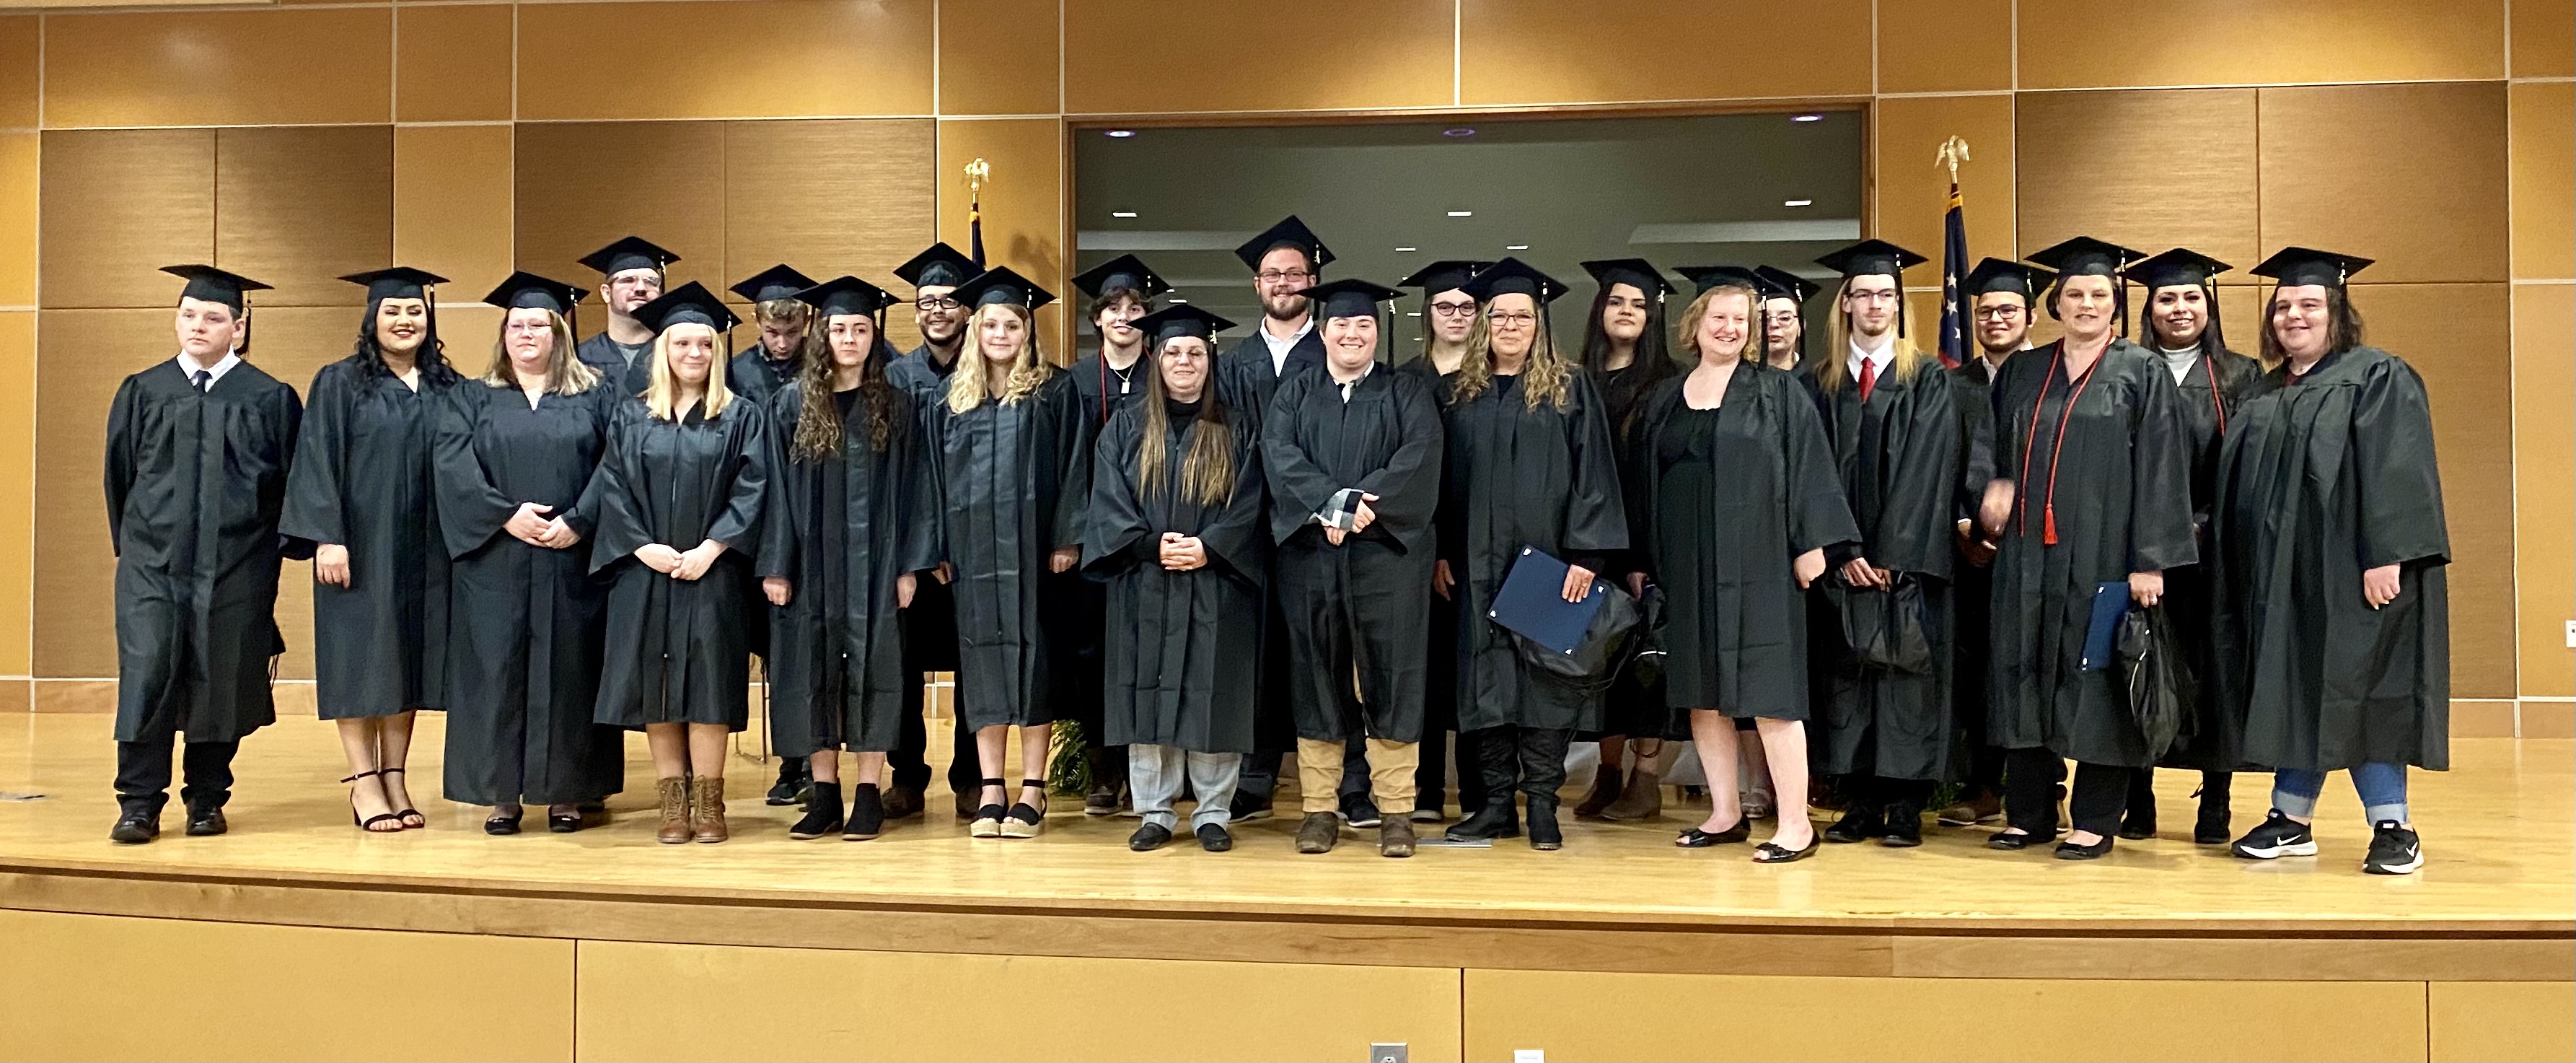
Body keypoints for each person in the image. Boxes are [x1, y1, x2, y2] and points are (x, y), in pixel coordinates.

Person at [2215, 248, 2446, 875]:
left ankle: (2392, 824)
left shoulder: (2376, 376)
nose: (2294, 315)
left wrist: (2387, 555)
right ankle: (2290, 818)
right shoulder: (2261, 391)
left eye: (2309, 305)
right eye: (2283, 306)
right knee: (2293, 682)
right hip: (2280, 576)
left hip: (2353, 571)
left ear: (2335, 313)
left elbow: (2397, 468)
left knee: (2363, 687)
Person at [1979, 236, 2197, 860]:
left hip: (2105, 554)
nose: (2086, 303)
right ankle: (2028, 812)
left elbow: (2162, 465)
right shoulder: (2024, 371)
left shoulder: (2140, 371)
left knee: (2097, 679)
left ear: (2115, 303)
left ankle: (2095, 818)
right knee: (2023, 670)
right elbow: (1992, 453)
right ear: (2056, 302)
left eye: (2098, 294)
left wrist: (2149, 559)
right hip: (2026, 556)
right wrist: (1988, 496)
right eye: (2074, 293)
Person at [1625, 276, 1853, 864]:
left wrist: (1812, 544)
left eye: (1740, 320)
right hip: (1688, 562)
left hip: (1760, 561)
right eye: (1719, 318)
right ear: (1694, 324)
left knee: (1770, 692)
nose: (1729, 328)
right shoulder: (1666, 397)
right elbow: (1647, 484)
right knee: (1702, 694)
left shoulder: (1776, 391)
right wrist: (1645, 561)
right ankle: (1725, 812)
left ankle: (1796, 824)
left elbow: (1810, 466)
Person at [1798, 240, 1990, 849]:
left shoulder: (1929, 378)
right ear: (1845, 303)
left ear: (1898, 304)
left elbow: (1929, 469)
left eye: (1886, 295)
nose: (1874, 304)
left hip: (1908, 563)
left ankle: (1904, 806)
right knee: (1847, 676)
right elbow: (1810, 472)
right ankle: (1858, 803)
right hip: (1841, 565)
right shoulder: (1819, 382)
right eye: (1863, 294)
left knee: (1908, 679)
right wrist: (1842, 549)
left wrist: (1888, 554)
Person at [105, 265, 306, 844]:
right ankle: (138, 802)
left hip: (237, 565)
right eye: (189, 314)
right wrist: (140, 547)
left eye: (214, 317)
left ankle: (206, 799)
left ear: (238, 328)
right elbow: (119, 477)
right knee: (147, 675)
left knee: (221, 676)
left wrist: (263, 556)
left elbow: (289, 485)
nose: (198, 326)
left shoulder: (269, 398)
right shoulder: (144, 390)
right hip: (152, 564)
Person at [1435, 259, 1627, 851]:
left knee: (1544, 681)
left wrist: (1584, 556)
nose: (1511, 325)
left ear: (1538, 324)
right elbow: (1438, 482)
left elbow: (1594, 473)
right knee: (1484, 680)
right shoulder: (1457, 394)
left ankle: (1542, 803)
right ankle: (1496, 805)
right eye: (1500, 316)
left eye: (1522, 315)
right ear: (1484, 323)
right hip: (1473, 560)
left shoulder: (1570, 388)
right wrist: (1440, 551)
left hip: (1547, 563)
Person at [434, 272, 625, 834]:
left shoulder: (596, 394)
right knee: (495, 671)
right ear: (504, 333)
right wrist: (503, 514)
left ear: (558, 334)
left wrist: (579, 518)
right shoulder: (472, 396)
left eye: (537, 325)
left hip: (572, 558)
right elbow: (452, 466)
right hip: (496, 560)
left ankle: (569, 792)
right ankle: (501, 795)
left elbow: (618, 463)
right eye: (516, 325)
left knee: (570, 670)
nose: (526, 334)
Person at [1260, 278, 1443, 857]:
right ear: (1325, 329)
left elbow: (1419, 454)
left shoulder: (1406, 391)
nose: (1351, 333)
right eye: (1340, 324)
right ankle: (1319, 808)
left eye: (1362, 324)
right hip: (1312, 555)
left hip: (1386, 558)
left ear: (1375, 330)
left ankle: (1395, 812)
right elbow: (1279, 453)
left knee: (1392, 675)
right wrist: (1329, 504)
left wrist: (1361, 504)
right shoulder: (1296, 391)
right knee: (1317, 675)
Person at [588, 283, 773, 844]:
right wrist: (641, 546)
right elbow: (611, 485)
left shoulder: (740, 416)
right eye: (683, 343)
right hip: (645, 570)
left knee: (710, 684)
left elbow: (754, 489)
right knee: (657, 682)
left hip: (713, 572)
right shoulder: (631, 416)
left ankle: (710, 802)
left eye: (705, 344)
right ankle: (672, 802)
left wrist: (711, 549)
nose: (694, 353)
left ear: (717, 353)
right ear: (663, 349)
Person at [282, 266, 460, 833]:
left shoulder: (447, 388)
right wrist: (326, 537)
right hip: (358, 545)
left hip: (426, 548)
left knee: (406, 657)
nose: (405, 321)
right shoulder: (339, 382)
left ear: (428, 318)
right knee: (359, 660)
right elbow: (317, 459)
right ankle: (363, 782)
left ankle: (397, 777)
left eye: (414, 311)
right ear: (372, 319)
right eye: (393, 312)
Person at [1084, 305, 1267, 852]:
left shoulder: (1237, 427)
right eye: (1173, 352)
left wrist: (1208, 547)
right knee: (1148, 691)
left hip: (1215, 582)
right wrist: (1147, 544)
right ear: (1156, 360)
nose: (1184, 361)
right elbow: (1108, 499)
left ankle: (1213, 810)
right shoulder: (1127, 426)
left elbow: (1251, 501)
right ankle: (1155, 810)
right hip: (1146, 580)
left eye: (1195, 352)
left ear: (1209, 361)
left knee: (1212, 690)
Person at [760, 275, 936, 841]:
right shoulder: (790, 404)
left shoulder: (898, 406)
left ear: (874, 336)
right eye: (840, 328)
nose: (850, 338)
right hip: (809, 566)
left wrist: (910, 564)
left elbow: (917, 490)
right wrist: (777, 565)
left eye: (861, 329)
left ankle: (866, 793)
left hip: (876, 565)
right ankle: (824, 793)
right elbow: (774, 493)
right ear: (823, 334)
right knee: (810, 671)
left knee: (874, 672)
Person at [925, 267, 1092, 839]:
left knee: (1034, 663)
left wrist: (1068, 536)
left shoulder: (1054, 389)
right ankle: (991, 787)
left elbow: (1074, 466)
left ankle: (1033, 789)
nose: (1000, 333)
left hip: (1034, 555)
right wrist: (937, 547)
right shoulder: (948, 397)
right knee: (983, 664)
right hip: (971, 556)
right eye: (990, 323)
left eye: (1011, 324)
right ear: (975, 329)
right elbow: (931, 480)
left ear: (1027, 330)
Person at [2118, 248, 2264, 845]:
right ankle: (2137, 800)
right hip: (2139, 554)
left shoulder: (2240, 376)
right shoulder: (2123, 369)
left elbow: (2247, 467)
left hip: (2214, 555)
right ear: (2148, 308)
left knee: (2214, 675)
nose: (2178, 309)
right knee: (2137, 669)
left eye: (2189, 298)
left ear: (2209, 305)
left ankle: (2216, 802)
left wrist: (2201, 525)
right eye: (2166, 298)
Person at [1219, 216, 1360, 826]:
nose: (1283, 283)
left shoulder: (1332, 350)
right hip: (1251, 527)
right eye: (1272, 274)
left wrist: (1325, 506)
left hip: (1317, 529)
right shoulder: (1233, 361)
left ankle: (1350, 779)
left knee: (1332, 652)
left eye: (1294, 274)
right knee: (1258, 652)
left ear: (1312, 281)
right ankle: (1258, 771)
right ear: (1257, 285)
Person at [1935, 257, 2051, 828]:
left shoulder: (2051, 378)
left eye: (2007, 309)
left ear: (2029, 314)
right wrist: (1962, 524)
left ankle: (2041, 789)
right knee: (1977, 666)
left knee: (2034, 666)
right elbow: (1939, 465)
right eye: (1985, 311)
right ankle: (1981, 784)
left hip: (2037, 550)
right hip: (1969, 554)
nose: (1995, 318)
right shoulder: (1952, 383)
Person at [1062, 253, 1172, 816]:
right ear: (1097, 319)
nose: (1124, 317)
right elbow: (1062, 468)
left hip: (1155, 543)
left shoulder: (1169, 373)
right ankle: (1103, 772)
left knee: (1152, 655)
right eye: (1113, 310)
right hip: (1093, 546)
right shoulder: (1075, 382)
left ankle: (1154, 775)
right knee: (1094, 657)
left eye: (1134, 309)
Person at [1570, 258, 1678, 824]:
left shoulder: (1667, 385)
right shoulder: (1575, 381)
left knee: (1647, 668)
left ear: (1652, 315)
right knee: (1600, 665)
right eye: (1617, 302)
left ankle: (1645, 778)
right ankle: (1606, 772)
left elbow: (1655, 481)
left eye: (1638, 304)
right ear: (1600, 311)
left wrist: (1642, 558)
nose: (1627, 312)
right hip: (1592, 549)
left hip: (1643, 546)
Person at [884, 241, 979, 820]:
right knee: (901, 667)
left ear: (966, 309)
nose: (937, 310)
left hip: (970, 552)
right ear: (915, 312)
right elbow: (898, 474)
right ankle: (907, 776)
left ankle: (970, 775)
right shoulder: (895, 376)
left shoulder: (984, 372)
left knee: (975, 665)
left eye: (948, 301)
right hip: (910, 552)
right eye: (926, 302)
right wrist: (920, 548)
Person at [1392, 259, 1487, 824]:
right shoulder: (1403, 381)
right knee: (1419, 670)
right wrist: (1430, 548)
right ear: (1427, 314)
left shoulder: (1491, 381)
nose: (1455, 315)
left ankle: (1478, 793)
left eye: (1466, 306)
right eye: (1444, 306)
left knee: (1476, 671)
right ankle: (1424, 790)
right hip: (1419, 546)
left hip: (1479, 545)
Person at [573, 235, 678, 397]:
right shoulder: (580, 360)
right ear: (606, 293)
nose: (641, 288)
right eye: (628, 280)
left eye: (651, 281)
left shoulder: (678, 354)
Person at [726, 263, 817, 408]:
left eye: (792, 332)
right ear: (756, 320)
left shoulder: (821, 365)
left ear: (807, 320)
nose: (782, 344)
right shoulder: (737, 371)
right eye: (773, 333)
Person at [1754, 265, 1819, 372]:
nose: (1774, 324)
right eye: (1764, 319)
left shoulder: (1820, 381)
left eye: (1785, 318)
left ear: (1801, 327)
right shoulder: (1737, 380)